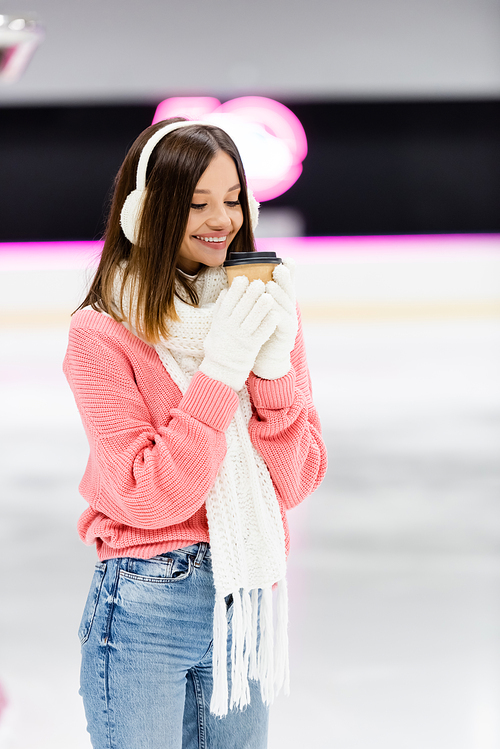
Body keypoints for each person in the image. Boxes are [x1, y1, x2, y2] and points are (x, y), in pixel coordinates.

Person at [63, 117, 327, 749]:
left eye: (233, 200)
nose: (223, 220)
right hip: (147, 603)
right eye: (196, 203)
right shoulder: (101, 335)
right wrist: (221, 371)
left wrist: (270, 369)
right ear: (145, 214)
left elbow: (295, 480)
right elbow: (155, 496)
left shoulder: (263, 315)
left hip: (247, 600)